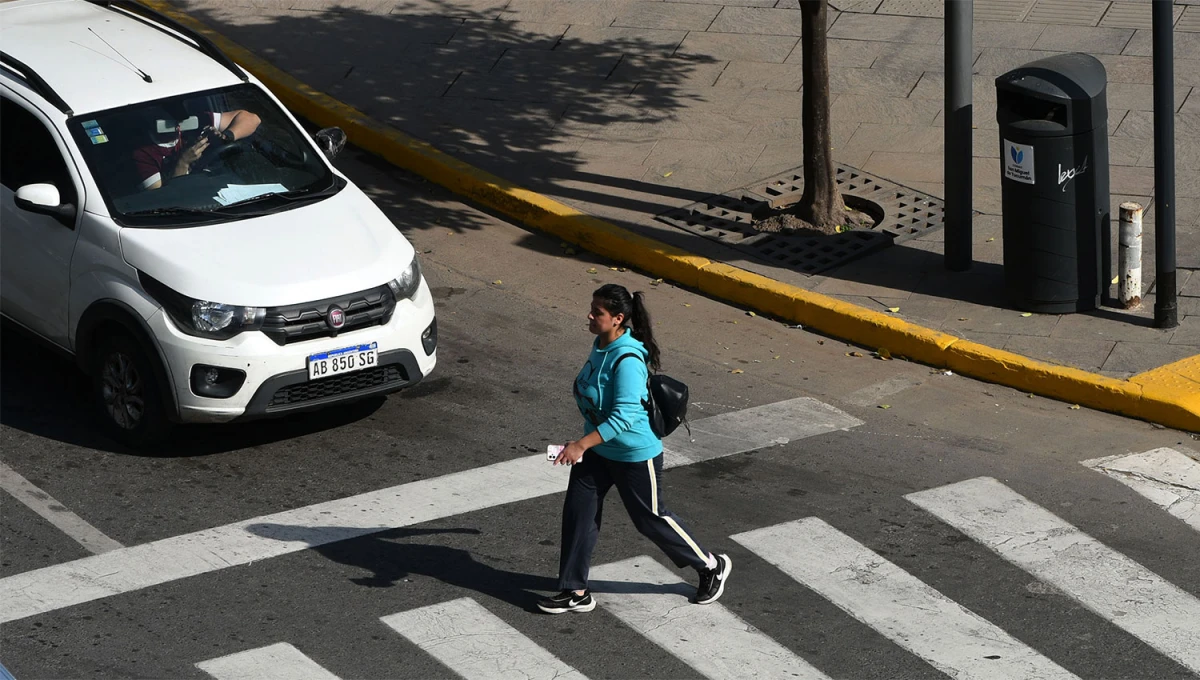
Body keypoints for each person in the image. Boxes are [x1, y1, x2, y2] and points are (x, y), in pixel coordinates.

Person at [538, 284, 731, 615]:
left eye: (597, 312)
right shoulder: (601, 345)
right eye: (592, 307)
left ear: (618, 319)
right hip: (599, 450)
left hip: (633, 455)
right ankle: (575, 590)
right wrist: (587, 443)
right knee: (578, 514)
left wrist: (582, 444)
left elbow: (626, 415)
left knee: (650, 519)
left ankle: (710, 565)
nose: (589, 314)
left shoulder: (627, 358)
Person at [132, 108, 261, 190]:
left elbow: (252, 119)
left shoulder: (195, 122)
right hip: (191, 201)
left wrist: (226, 136)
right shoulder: (142, 153)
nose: (180, 124)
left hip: (220, 187)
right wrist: (183, 162)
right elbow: (160, 198)